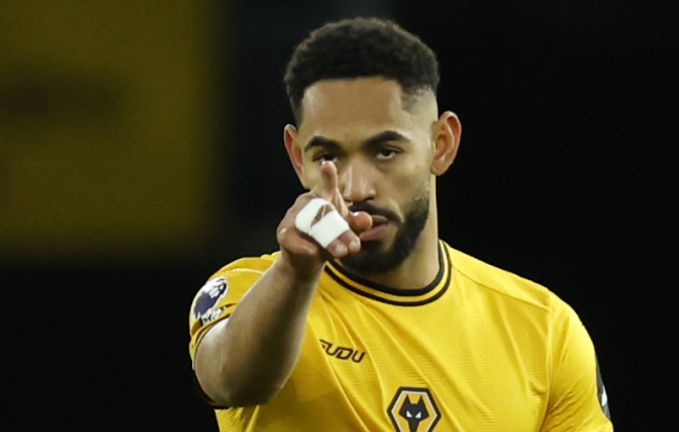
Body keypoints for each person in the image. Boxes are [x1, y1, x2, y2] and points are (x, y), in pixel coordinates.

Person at [188, 16, 613, 431]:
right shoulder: (249, 292)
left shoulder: (543, 331)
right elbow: (231, 379)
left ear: (441, 145)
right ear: (298, 159)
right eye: (327, 157)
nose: (355, 188)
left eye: (385, 151)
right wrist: (294, 272)